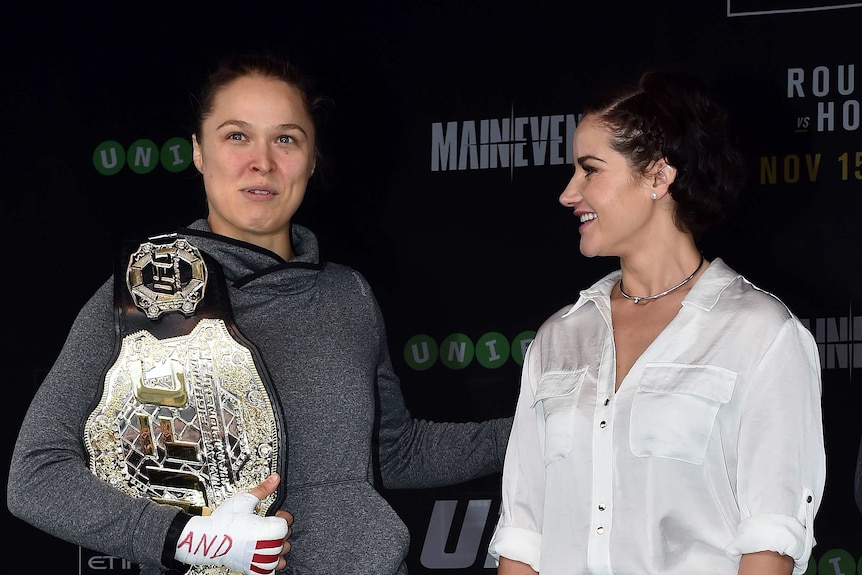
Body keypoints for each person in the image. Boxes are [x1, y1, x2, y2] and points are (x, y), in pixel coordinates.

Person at [7, 51, 512, 575]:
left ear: (313, 159)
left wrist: (543, 428)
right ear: (199, 152)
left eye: (286, 139)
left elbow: (394, 453)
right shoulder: (141, 296)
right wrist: (188, 539)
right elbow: (35, 476)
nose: (262, 162)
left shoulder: (347, 295)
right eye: (236, 136)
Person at [488, 70, 826, 575]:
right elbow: (523, 536)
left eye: (590, 170)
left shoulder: (760, 333)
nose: (568, 192)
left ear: (658, 176)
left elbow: (771, 539)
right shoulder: (560, 337)